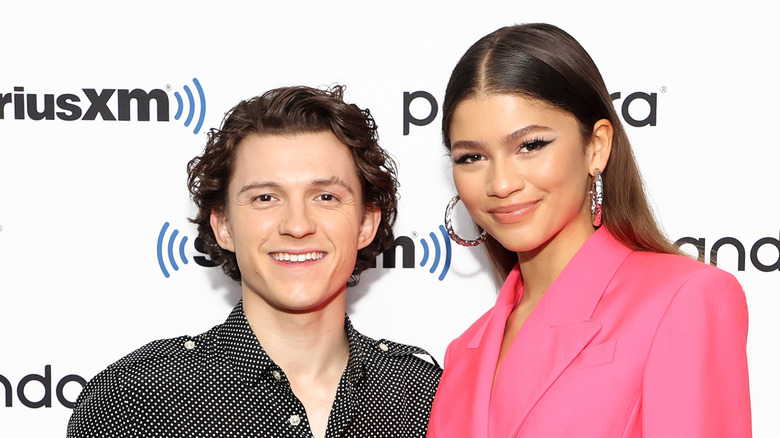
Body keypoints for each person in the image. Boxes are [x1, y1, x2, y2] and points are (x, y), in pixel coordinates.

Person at [427, 23, 751, 437]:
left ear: (596, 146)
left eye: (531, 145)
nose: (501, 183)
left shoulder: (684, 299)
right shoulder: (465, 353)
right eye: (472, 157)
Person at [67, 85, 441, 438]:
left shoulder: (425, 396)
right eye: (265, 198)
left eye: (325, 197)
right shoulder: (135, 399)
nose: (297, 225)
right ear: (223, 226)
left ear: (365, 224)